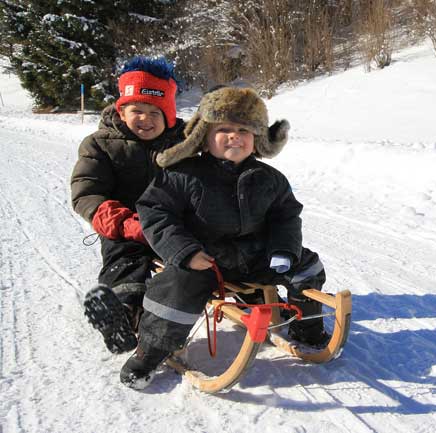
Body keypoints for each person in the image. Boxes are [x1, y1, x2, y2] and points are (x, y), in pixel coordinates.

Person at [121, 86, 328, 389]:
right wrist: (184, 251)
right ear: (204, 135)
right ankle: (150, 351)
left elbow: (286, 216)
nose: (235, 136)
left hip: (257, 256)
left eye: (244, 129)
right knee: (176, 288)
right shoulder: (183, 173)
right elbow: (156, 211)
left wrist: (284, 250)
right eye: (225, 129)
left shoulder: (270, 179)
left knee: (308, 265)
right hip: (205, 259)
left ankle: (306, 328)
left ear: (256, 138)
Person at [70, 57, 185, 354]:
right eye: (137, 110)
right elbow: (87, 193)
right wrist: (123, 223)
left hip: (174, 225)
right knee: (125, 258)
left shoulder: (183, 144)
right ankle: (122, 313)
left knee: (215, 249)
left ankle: (260, 298)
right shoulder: (100, 145)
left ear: (169, 116)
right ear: (122, 110)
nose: (144, 119)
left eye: (153, 112)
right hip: (126, 226)